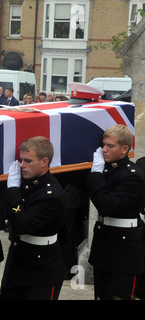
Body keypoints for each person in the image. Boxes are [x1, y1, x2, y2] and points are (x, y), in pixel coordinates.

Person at [0, 136, 66, 300]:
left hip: (41, 270)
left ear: (44, 162)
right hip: (18, 262)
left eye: (28, 161)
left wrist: (13, 190)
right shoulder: (27, 182)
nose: (22, 165)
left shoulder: (51, 194)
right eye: (21, 160)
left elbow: (22, 224)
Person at [87, 124, 145, 300]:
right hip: (104, 245)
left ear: (124, 149)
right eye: (103, 145)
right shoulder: (106, 168)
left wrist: (96, 175)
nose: (104, 150)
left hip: (124, 251)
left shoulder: (132, 175)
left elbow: (106, 205)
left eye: (110, 146)